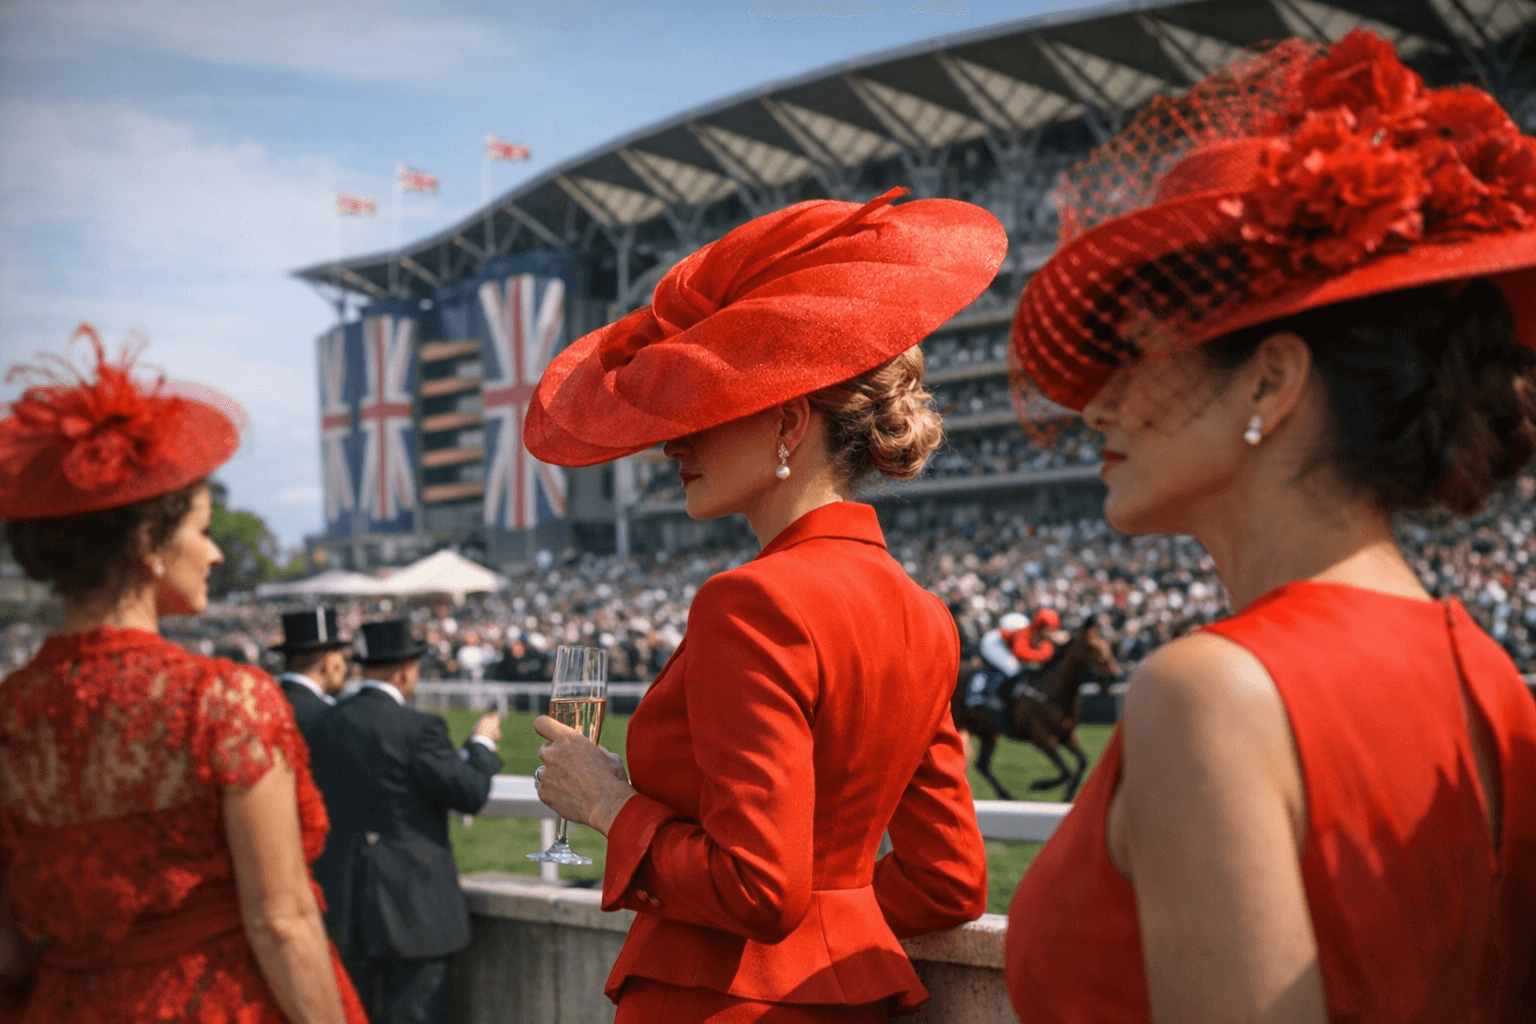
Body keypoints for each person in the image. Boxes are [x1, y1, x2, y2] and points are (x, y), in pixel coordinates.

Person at [1004, 32, 1536, 1022]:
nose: (1096, 405)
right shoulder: (1489, 677)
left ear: (1271, 379)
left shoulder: (1210, 693)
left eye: (1137, 352)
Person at [522, 186, 1006, 1021]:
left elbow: (758, 889)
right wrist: (837, 921)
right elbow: (947, 878)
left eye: (703, 412)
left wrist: (606, 803)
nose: (675, 441)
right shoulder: (926, 615)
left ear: (787, 423)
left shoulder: (750, 601)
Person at [0, 326, 366, 1023]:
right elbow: (282, 920)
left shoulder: (11, 713)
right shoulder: (222, 701)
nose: (216, 554)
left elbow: (10, 953)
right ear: (148, 546)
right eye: (202, 529)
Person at [307, 618, 502, 1024]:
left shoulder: (325, 723)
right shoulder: (418, 728)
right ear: (406, 671)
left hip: (346, 908)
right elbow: (468, 792)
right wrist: (482, 745)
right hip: (416, 912)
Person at [967, 609, 1060, 728]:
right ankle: (990, 696)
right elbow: (1019, 652)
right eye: (1049, 629)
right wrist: (1042, 655)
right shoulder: (1025, 630)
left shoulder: (1036, 633)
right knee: (1012, 668)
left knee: (1018, 667)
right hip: (993, 643)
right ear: (1041, 626)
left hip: (1002, 644)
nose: (1051, 633)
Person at [272, 607, 351, 739]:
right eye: (340, 655)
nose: (344, 667)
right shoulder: (331, 715)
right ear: (328, 661)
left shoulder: (265, 704)